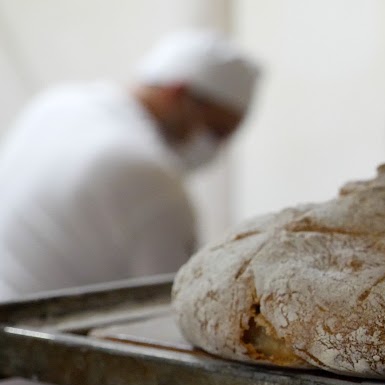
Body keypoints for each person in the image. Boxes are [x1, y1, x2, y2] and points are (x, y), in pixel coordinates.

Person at [0, 29, 260, 301]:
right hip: (38, 334)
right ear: (177, 94)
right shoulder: (148, 174)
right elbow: (174, 307)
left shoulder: (56, 104)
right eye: (216, 131)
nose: (216, 149)